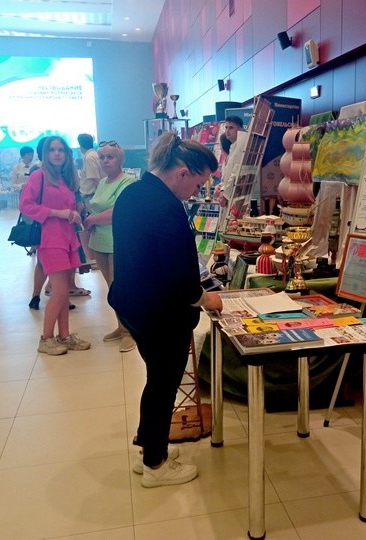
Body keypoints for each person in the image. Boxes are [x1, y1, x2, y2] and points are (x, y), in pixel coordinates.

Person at [109, 132, 222, 487]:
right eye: (198, 185)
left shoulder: (132, 193)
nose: (196, 193)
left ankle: (149, 446)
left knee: (156, 380)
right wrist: (205, 298)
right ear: (183, 172)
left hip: (132, 305)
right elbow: (179, 280)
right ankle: (155, 465)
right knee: (163, 384)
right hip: (159, 313)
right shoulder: (167, 209)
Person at [19, 136, 90, 355]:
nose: (57, 153)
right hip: (50, 241)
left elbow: (67, 207)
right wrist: (57, 213)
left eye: (61, 150)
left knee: (64, 292)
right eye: (52, 150)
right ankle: (47, 338)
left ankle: (64, 335)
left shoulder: (65, 179)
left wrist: (74, 213)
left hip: (67, 239)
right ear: (45, 154)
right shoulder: (38, 176)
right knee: (59, 292)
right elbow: (26, 205)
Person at [82, 140, 136, 353]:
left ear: (119, 159)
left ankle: (130, 332)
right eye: (102, 157)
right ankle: (121, 326)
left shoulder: (128, 182)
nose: (105, 161)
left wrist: (92, 219)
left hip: (118, 241)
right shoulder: (104, 182)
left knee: (121, 288)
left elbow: (118, 212)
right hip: (99, 241)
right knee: (112, 289)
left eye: (110, 157)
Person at [77, 133, 100, 208]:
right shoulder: (95, 154)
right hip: (93, 194)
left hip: (91, 196)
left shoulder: (89, 158)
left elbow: (95, 178)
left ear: (80, 145)